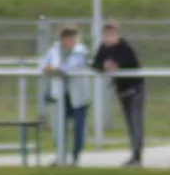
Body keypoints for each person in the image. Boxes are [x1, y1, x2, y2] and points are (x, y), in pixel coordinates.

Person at [90, 21, 146, 166]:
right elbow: (96, 64)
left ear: (117, 34)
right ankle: (134, 156)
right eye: (106, 34)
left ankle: (137, 156)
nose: (109, 37)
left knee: (135, 122)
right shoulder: (103, 47)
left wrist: (114, 65)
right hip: (122, 91)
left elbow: (124, 63)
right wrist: (103, 66)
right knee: (129, 123)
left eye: (112, 33)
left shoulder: (125, 47)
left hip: (135, 89)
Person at [38, 25, 91, 164]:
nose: (72, 41)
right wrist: (48, 69)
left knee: (78, 129)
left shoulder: (81, 51)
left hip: (78, 97)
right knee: (59, 128)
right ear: (63, 39)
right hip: (60, 95)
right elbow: (42, 66)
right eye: (69, 39)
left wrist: (53, 70)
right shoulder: (54, 50)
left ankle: (75, 156)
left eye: (74, 39)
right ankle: (61, 157)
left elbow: (69, 67)